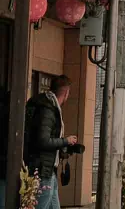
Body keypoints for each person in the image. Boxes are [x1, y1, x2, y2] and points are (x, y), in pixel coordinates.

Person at [24, 76, 84, 209]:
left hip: (48, 168)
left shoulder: (44, 104)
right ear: (66, 93)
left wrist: (63, 147)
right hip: (42, 169)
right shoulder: (49, 110)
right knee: (43, 206)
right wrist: (65, 141)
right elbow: (43, 140)